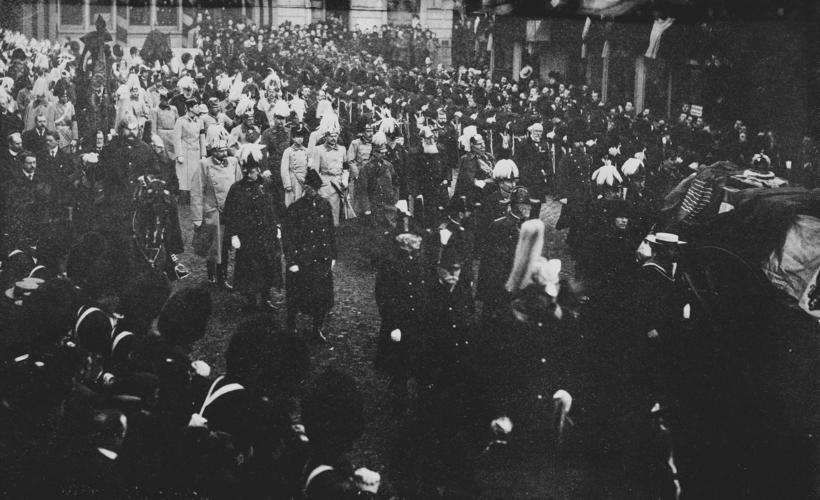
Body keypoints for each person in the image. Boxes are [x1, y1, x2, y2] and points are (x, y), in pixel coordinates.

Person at [223, 144, 282, 311]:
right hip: (247, 237)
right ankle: (250, 301)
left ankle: (266, 299)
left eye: (253, 171)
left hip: (267, 234)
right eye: (247, 172)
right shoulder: (236, 189)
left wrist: (277, 225)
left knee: (268, 266)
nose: (250, 175)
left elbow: (277, 206)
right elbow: (230, 213)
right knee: (249, 269)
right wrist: (233, 234)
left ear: (258, 169)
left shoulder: (268, 185)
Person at [374, 224, 427, 410]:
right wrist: (393, 323)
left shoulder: (422, 261)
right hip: (399, 322)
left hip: (419, 321)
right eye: (415, 238)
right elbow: (384, 296)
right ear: (404, 242)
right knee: (399, 365)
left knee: (421, 363)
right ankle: (398, 398)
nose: (419, 241)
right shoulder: (390, 263)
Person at [283, 168, 336, 342]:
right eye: (308, 186)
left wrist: (333, 255)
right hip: (302, 260)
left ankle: (317, 328)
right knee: (296, 296)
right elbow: (288, 236)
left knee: (321, 297)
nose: (311, 189)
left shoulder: (325, 205)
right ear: (305, 187)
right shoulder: (295, 208)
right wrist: (291, 261)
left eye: (314, 187)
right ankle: (291, 326)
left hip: (320, 259)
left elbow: (330, 231)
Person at [477, 186, 537, 320]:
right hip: (500, 281)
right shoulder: (500, 226)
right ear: (514, 205)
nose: (528, 208)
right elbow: (489, 259)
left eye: (528, 205)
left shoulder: (527, 227)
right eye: (524, 205)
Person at [191, 138, 242, 289]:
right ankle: (212, 275)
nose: (224, 153)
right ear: (212, 152)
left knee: (226, 245)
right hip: (213, 211)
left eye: (225, 150)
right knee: (213, 245)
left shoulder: (233, 162)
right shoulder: (204, 164)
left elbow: (239, 186)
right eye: (220, 151)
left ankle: (223, 276)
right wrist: (197, 217)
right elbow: (196, 191)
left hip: (230, 211)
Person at [358, 131, 399, 230]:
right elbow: (362, 191)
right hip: (374, 210)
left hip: (389, 209)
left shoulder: (389, 166)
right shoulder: (366, 168)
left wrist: (394, 198)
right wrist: (367, 209)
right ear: (375, 152)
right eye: (381, 153)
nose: (384, 154)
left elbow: (395, 183)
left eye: (384, 152)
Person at [173, 97, 206, 203]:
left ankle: (195, 198)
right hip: (185, 153)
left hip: (196, 152)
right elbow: (176, 138)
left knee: (195, 176)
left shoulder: (200, 121)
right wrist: (179, 154)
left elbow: (202, 138)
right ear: (190, 108)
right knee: (184, 178)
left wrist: (203, 154)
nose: (198, 109)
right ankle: (184, 200)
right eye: (196, 106)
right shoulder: (180, 121)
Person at [514, 122, 551, 200]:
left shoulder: (544, 144)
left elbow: (547, 160)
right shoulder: (524, 143)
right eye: (536, 131)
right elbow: (518, 160)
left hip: (539, 178)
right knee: (529, 202)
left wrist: (546, 172)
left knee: (538, 203)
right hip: (527, 178)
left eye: (540, 131)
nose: (538, 133)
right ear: (532, 131)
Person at [280, 123, 310, 207]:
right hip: (293, 180)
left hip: (304, 181)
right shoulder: (288, 151)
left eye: (301, 137)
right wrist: (287, 185)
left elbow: (309, 166)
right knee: (293, 202)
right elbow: (284, 169)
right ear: (293, 138)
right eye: (297, 137)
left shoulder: (306, 151)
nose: (300, 139)